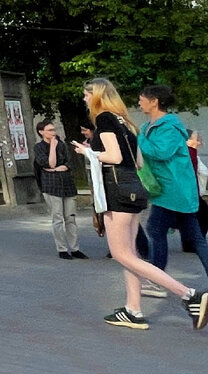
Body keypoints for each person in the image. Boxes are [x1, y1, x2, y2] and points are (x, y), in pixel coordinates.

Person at [71, 78, 207, 330]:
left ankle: (191, 295)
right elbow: (140, 162)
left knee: (122, 254)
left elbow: (115, 156)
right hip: (133, 190)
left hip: (119, 192)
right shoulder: (127, 122)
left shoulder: (104, 119)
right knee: (130, 255)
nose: (84, 99)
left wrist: (88, 152)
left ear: (98, 95)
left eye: (86, 94)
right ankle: (133, 310)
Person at [137, 85, 208, 297]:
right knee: (195, 238)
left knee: (156, 230)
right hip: (172, 189)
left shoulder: (169, 126)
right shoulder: (151, 125)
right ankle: (157, 279)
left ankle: (157, 280)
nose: (139, 102)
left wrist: (138, 139)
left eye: (142, 99)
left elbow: (161, 152)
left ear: (154, 101)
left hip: (173, 189)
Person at [33, 119, 86, 260]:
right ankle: (62, 249)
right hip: (51, 186)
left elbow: (68, 162)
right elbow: (49, 164)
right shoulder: (39, 147)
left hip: (67, 184)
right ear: (41, 132)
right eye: (50, 130)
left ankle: (75, 248)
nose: (53, 132)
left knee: (70, 218)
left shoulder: (62, 145)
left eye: (54, 130)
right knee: (57, 219)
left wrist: (62, 167)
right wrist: (52, 148)